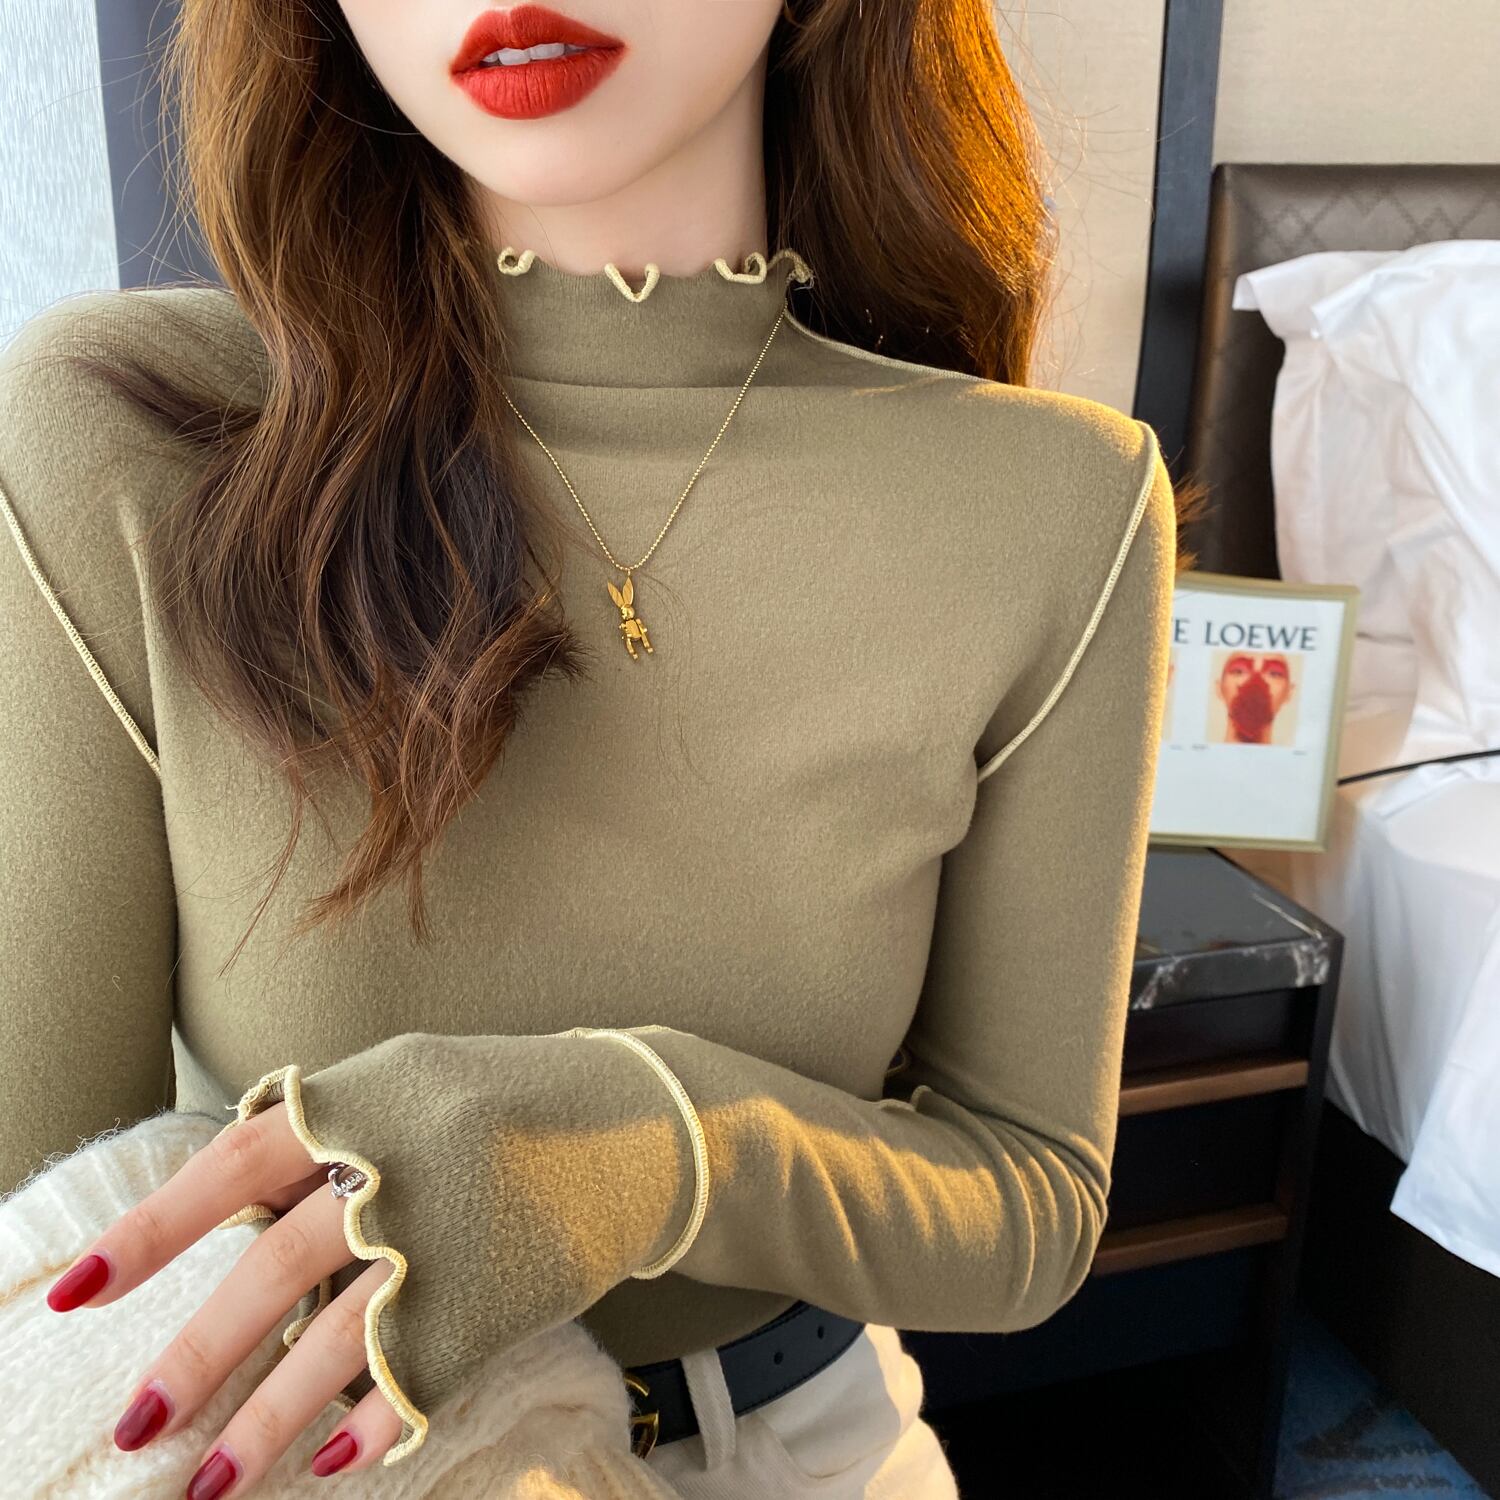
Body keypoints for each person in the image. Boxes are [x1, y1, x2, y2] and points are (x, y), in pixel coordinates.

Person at [0, 1, 1192, 1495]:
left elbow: (1031, 1194)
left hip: (810, 1456)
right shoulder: (122, 438)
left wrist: (656, 1148)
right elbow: (46, 1271)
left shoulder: (1060, 504)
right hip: (324, 1467)